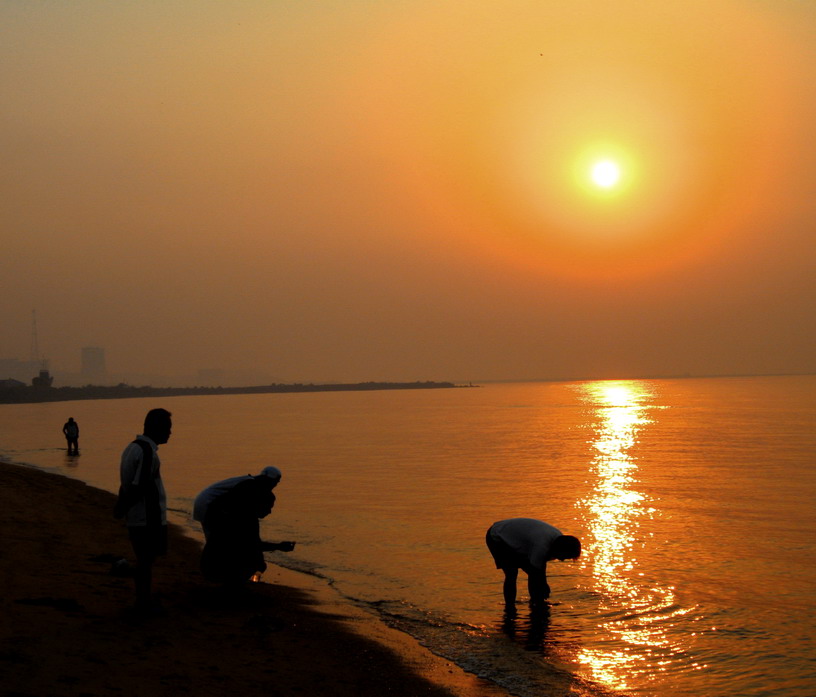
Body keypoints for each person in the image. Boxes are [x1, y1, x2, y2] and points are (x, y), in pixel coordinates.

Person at [115, 408, 172, 615]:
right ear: (156, 428)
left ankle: (143, 600)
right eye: (167, 428)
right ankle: (143, 602)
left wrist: (121, 506)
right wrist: (123, 507)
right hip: (147, 516)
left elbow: (128, 484)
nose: (169, 433)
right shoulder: (147, 452)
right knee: (146, 560)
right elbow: (139, 486)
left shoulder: (132, 448)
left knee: (144, 559)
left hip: (139, 516)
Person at [197, 476, 295, 587]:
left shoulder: (237, 514)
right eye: (268, 507)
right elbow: (253, 545)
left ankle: (232, 581)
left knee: (253, 557)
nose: (269, 511)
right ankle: (232, 583)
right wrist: (279, 546)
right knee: (257, 562)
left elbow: (252, 544)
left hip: (208, 566)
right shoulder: (245, 520)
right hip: (214, 568)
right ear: (259, 503)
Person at [486, 517, 581, 613]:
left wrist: (543, 583)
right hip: (498, 536)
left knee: (537, 578)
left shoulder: (557, 539)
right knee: (512, 573)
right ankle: (510, 608)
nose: (563, 559)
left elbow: (540, 565)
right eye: (565, 556)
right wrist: (543, 586)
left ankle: (534, 603)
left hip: (516, 537)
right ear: (561, 549)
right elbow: (535, 571)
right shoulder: (541, 545)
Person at [192, 466, 282, 537]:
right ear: (267, 479)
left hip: (204, 501)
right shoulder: (249, 484)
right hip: (207, 503)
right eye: (275, 482)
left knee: (214, 537)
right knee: (217, 537)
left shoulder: (250, 482)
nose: (275, 485)